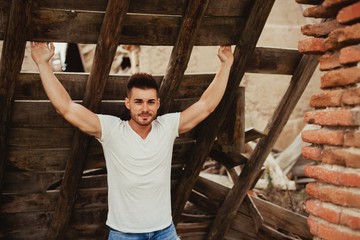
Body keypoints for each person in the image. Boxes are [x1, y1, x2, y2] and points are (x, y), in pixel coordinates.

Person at [31, 42, 234, 240]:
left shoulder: (167, 127)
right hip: (124, 233)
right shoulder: (111, 130)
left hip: (164, 231)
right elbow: (65, 107)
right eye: (138, 101)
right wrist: (43, 64)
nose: (144, 108)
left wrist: (225, 65)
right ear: (127, 103)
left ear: (158, 104)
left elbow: (207, 105)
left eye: (150, 102)